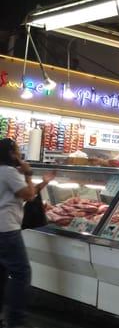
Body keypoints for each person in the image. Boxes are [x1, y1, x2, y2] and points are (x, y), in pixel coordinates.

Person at [0, 138, 55, 328]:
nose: (20, 154)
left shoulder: (6, 172)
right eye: (16, 150)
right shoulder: (8, 172)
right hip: (7, 231)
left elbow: (22, 194)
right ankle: (16, 320)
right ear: (10, 153)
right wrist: (29, 174)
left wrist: (44, 183)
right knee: (22, 273)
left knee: (2, 273)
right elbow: (29, 195)